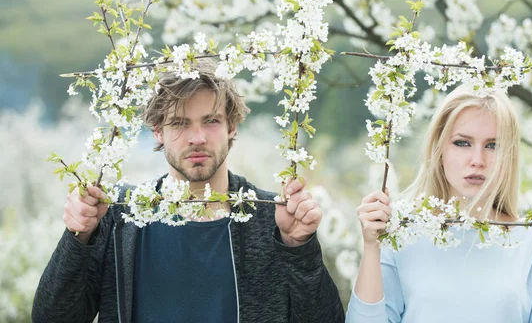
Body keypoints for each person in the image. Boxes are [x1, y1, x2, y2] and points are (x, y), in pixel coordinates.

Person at [33, 59, 344, 323]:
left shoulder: (270, 220)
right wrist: (79, 238)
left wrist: (298, 248)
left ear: (231, 126)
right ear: (158, 130)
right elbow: (52, 317)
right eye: (180, 123)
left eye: (211, 121)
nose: (197, 137)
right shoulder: (120, 218)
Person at [346, 86, 532, 323]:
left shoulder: (531, 240)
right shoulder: (401, 234)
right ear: (439, 148)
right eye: (462, 143)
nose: (477, 161)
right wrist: (372, 245)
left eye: (492, 146)